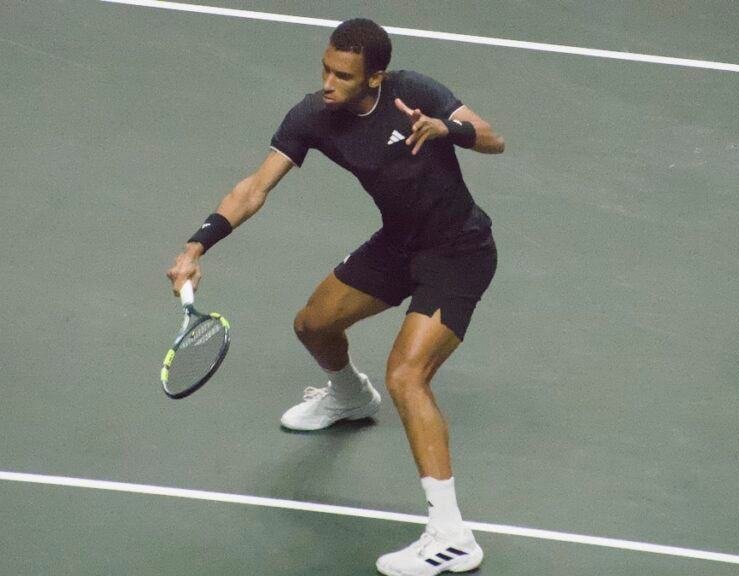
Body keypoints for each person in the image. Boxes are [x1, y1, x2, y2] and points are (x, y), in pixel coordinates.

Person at [166, 18, 504, 576]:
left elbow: (493, 137)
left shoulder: (415, 93)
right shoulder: (313, 116)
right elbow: (254, 187)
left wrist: (448, 130)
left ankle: (451, 535)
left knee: (407, 375)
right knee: (313, 324)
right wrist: (197, 245)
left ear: (375, 77)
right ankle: (349, 398)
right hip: (397, 244)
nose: (327, 82)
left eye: (342, 75)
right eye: (325, 68)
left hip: (458, 252)